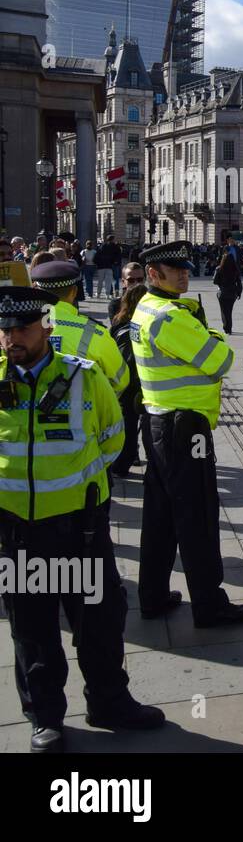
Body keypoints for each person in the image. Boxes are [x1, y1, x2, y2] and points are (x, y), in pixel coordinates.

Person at [0, 285, 165, 752]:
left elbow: (113, 442)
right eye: (6, 329)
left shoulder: (83, 378)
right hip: (19, 533)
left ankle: (110, 703)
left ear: (46, 328)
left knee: (98, 624)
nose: (12, 337)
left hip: (80, 531)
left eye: (23, 328)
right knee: (32, 633)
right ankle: (45, 717)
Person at [131, 241, 243, 629]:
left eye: (185, 268)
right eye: (175, 269)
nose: (184, 274)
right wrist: (210, 333)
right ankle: (209, 604)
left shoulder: (145, 307)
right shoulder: (172, 317)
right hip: (186, 429)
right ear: (154, 274)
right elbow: (220, 361)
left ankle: (151, 595)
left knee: (161, 516)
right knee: (197, 515)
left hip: (158, 423)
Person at [28, 261, 129, 398]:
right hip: (81, 415)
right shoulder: (95, 333)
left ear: (37, 290)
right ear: (74, 292)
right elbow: (121, 380)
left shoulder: (18, 331)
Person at [108, 283, 148, 476]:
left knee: (128, 424)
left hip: (125, 381)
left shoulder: (119, 322)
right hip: (145, 379)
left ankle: (123, 462)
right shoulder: (148, 323)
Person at [212, 251, 242, 335]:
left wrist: (221, 284)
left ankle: (227, 327)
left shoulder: (219, 269)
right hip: (232, 293)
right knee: (229, 310)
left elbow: (215, 281)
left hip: (222, 292)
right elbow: (239, 282)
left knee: (224, 311)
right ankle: (229, 327)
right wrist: (239, 292)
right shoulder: (235, 269)